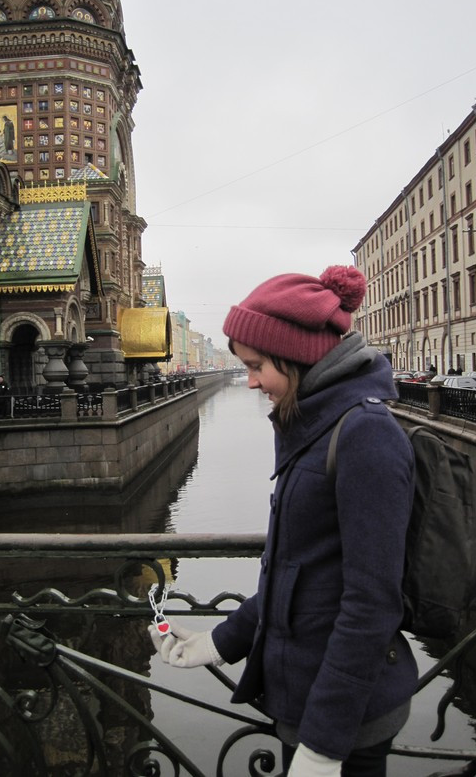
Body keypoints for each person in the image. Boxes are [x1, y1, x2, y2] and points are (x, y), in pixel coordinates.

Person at [149, 266, 418, 777]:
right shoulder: (316, 424)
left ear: (295, 356)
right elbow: (298, 571)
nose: (249, 381)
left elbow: (372, 604)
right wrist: (220, 642)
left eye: (256, 366)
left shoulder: (365, 433)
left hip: (346, 719)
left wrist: (324, 746)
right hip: (309, 696)